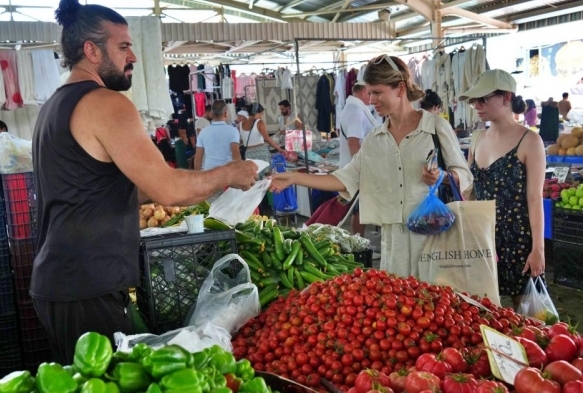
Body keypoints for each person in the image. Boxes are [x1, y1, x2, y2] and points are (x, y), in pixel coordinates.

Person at [31, 0, 257, 364]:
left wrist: (191, 184)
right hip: (86, 283)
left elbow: (111, 188)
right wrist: (229, 173)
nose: (133, 56)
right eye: (122, 46)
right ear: (91, 50)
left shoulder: (56, 105)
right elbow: (169, 189)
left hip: (62, 280)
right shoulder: (106, 103)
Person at [271, 55, 472, 277]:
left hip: (435, 239)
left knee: (435, 305)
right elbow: (344, 178)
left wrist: (442, 175)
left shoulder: (435, 127)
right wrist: (294, 178)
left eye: (377, 92)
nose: (371, 99)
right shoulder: (375, 139)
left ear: (400, 88)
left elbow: (464, 175)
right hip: (393, 244)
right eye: (369, 92)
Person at [460, 69, 546, 310]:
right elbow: (471, 190)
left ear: (507, 98)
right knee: (482, 308)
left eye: (483, 99)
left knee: (527, 313)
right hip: (483, 236)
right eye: (473, 100)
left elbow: (534, 198)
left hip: (519, 239)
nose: (476, 105)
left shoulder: (529, 141)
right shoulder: (476, 138)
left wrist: (537, 249)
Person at [338, 80, 379, 237]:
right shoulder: (355, 111)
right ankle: (359, 244)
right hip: (357, 169)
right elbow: (354, 144)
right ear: (363, 91)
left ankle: (360, 243)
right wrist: (365, 167)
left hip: (355, 166)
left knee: (361, 209)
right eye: (371, 93)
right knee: (360, 209)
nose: (373, 98)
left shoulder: (351, 108)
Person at [239, 102, 285, 177]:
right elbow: (266, 138)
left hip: (249, 153)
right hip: (261, 152)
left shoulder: (240, 125)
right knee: (268, 176)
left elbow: (241, 140)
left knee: (254, 177)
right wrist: (279, 149)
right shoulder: (259, 122)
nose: (261, 117)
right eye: (261, 114)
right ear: (256, 112)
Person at [194, 100, 241, 171]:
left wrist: (197, 178)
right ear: (225, 113)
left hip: (209, 172)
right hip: (227, 172)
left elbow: (198, 158)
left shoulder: (203, 132)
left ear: (212, 114)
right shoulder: (233, 131)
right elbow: (236, 156)